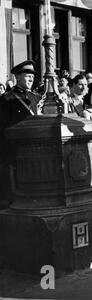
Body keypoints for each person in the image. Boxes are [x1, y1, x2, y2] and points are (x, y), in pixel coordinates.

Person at [0, 60, 41, 208]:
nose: (31, 79)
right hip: (15, 151)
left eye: (32, 76)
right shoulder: (6, 99)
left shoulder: (36, 98)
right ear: (17, 77)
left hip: (36, 149)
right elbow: (3, 129)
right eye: (27, 75)